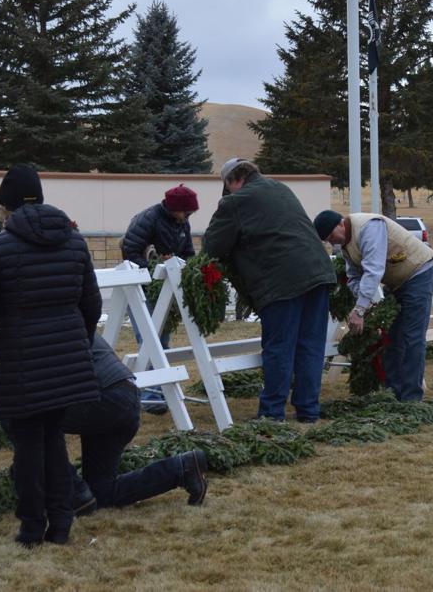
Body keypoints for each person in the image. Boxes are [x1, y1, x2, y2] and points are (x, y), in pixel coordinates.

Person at [0, 165, 100, 546]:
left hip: (21, 362)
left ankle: (33, 528)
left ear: (6, 208)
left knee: (29, 448)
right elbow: (92, 304)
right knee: (52, 438)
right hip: (67, 361)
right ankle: (62, 522)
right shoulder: (75, 242)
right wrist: (77, 344)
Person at [201, 159, 336, 422]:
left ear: (232, 182)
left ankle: (272, 414)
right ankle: (308, 411)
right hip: (318, 273)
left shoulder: (235, 202)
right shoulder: (281, 189)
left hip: (281, 280)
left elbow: (213, 246)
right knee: (310, 345)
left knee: (280, 347)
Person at [63, 336, 208, 511]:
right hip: (124, 394)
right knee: (100, 492)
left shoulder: (33, 323)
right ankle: (182, 468)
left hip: (103, 397)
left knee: (30, 425)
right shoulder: (73, 313)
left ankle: (74, 491)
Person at [314, 210, 433, 401]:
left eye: (331, 237)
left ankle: (411, 397)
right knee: (391, 338)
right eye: (327, 240)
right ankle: (392, 394)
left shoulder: (369, 228)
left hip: (417, 274)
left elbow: (373, 271)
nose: (332, 243)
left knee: (411, 337)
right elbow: (354, 277)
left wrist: (359, 310)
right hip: (396, 283)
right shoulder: (346, 245)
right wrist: (366, 302)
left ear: (340, 224)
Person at [120, 184, 200, 414]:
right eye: (187, 212)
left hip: (163, 288)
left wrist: (180, 266)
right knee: (149, 341)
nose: (189, 216)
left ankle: (157, 393)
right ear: (175, 208)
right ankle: (151, 396)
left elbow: (188, 253)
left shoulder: (181, 221)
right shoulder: (147, 219)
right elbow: (131, 252)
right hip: (140, 289)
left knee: (161, 342)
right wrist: (156, 268)